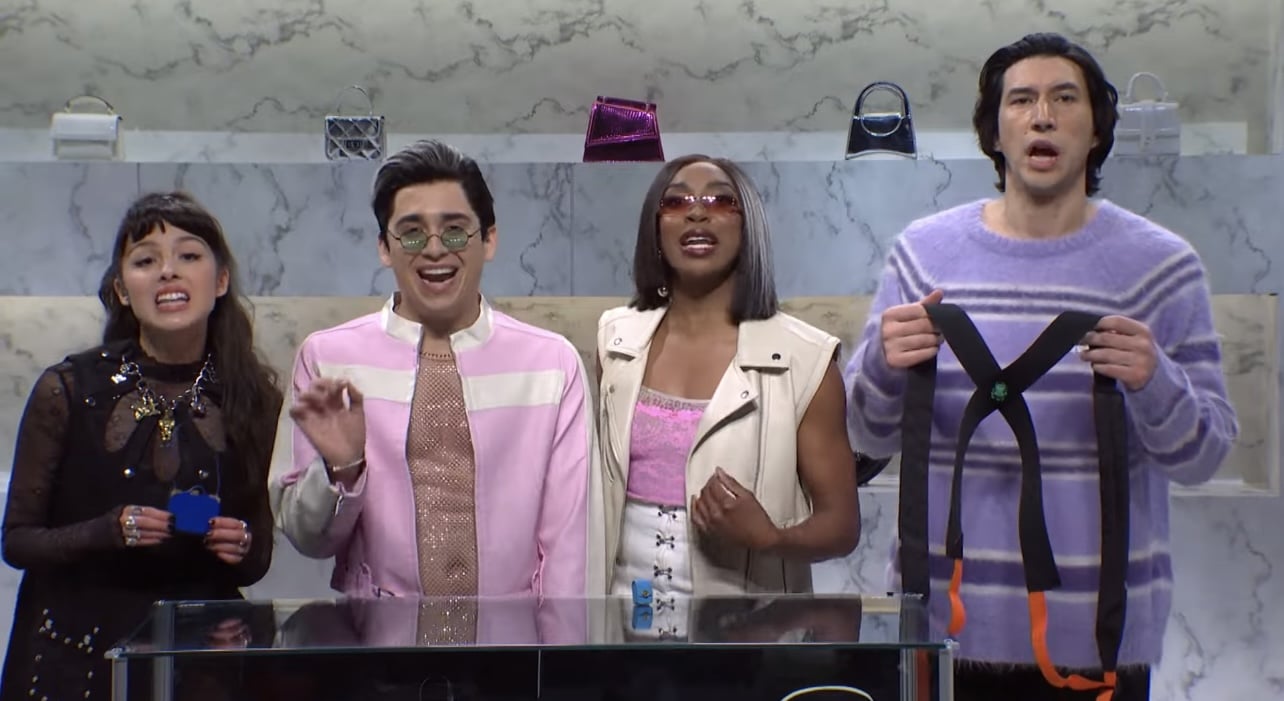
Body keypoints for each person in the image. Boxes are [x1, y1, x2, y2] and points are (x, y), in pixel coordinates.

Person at [844, 33, 1238, 701]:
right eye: (1021, 100)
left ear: (1097, 130)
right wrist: (883, 365)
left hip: (1099, 645)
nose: (1043, 117)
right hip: (939, 634)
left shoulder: (1163, 267)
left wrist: (1155, 379)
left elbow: (1203, 456)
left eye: (1065, 99)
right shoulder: (923, 255)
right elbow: (863, 435)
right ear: (994, 132)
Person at [271, 140, 595, 643]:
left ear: (489, 239)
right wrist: (342, 470)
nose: (436, 248)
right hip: (378, 651)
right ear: (385, 248)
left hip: (512, 651)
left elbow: (567, 551)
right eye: (412, 232)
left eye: (455, 229)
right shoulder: (329, 360)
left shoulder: (550, 364)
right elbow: (307, 538)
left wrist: (557, 668)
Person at [0, 192, 283, 701]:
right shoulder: (68, 389)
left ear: (220, 281)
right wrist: (107, 530)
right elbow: (18, 542)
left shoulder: (253, 399)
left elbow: (258, 553)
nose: (168, 271)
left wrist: (240, 544)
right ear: (122, 290)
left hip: (201, 660)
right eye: (146, 261)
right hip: (74, 656)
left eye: (188, 256)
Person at [595, 154, 860, 639]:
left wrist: (770, 537)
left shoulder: (806, 360)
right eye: (676, 202)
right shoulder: (615, 340)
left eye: (719, 200)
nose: (697, 212)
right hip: (620, 640)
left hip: (748, 643)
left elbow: (842, 526)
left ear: (748, 225)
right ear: (655, 228)